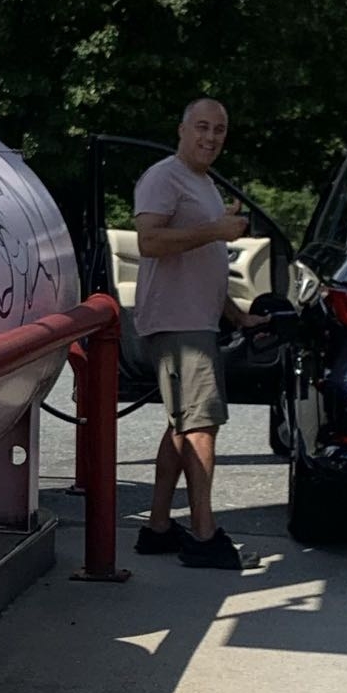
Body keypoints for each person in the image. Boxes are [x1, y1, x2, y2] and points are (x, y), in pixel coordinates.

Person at [131, 98, 260, 572]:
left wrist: (238, 316)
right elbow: (149, 241)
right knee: (201, 426)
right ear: (181, 129)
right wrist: (213, 229)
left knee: (183, 426)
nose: (210, 137)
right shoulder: (165, 177)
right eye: (202, 127)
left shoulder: (202, 184)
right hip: (177, 325)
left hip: (196, 321)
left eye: (219, 130)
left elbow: (202, 263)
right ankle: (205, 536)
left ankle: (159, 528)